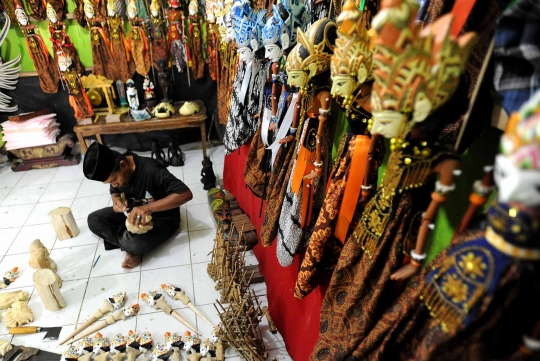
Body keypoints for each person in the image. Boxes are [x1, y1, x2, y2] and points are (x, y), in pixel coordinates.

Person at [84, 142, 192, 269]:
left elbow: (186, 194)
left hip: (161, 219)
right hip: (130, 213)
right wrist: (116, 199)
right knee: (94, 220)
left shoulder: (152, 170)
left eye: (114, 180)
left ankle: (132, 246)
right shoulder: (116, 172)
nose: (114, 185)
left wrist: (148, 208)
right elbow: (115, 192)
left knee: (134, 244)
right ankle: (130, 242)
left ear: (123, 165)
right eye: (110, 183)